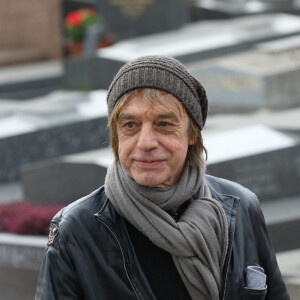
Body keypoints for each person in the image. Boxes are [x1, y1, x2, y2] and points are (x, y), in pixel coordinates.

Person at [35, 55, 289, 300]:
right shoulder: (77, 229)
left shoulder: (241, 206)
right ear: (116, 135)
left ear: (192, 134)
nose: (145, 142)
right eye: (130, 125)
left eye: (164, 124)